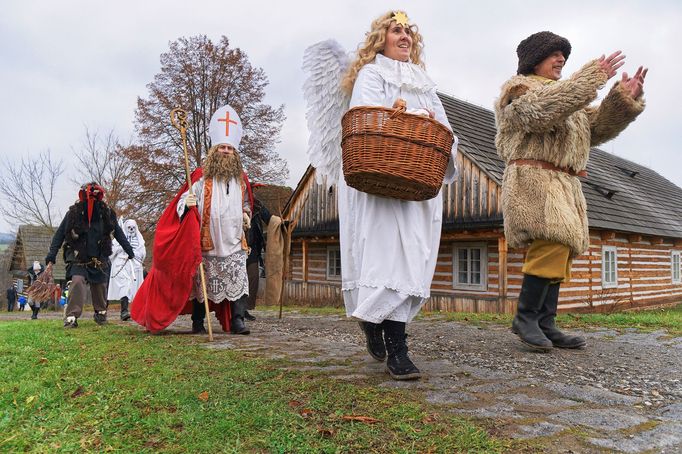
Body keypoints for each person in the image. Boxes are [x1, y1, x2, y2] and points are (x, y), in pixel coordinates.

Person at [494, 31, 647, 351]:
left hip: (564, 182)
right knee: (551, 242)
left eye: (563, 54)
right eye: (554, 53)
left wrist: (622, 99)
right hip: (534, 177)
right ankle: (525, 317)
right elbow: (541, 111)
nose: (561, 58)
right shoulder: (518, 89)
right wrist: (592, 77)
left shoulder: (568, 99)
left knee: (561, 251)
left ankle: (545, 322)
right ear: (535, 59)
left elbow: (595, 130)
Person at [331, 11, 458, 380]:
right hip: (381, 181)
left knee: (413, 257)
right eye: (396, 30)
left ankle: (373, 322)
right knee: (386, 258)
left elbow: (445, 128)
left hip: (417, 180)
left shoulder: (423, 80)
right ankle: (397, 349)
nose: (404, 36)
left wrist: (435, 133)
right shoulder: (372, 74)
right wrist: (408, 118)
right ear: (381, 38)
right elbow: (366, 118)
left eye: (408, 31)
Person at [177, 104, 253, 335]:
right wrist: (187, 202)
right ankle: (198, 322)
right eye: (222, 147)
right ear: (214, 151)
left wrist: (246, 214)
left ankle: (238, 320)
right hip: (208, 241)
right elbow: (183, 200)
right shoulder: (202, 179)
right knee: (203, 283)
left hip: (233, 239)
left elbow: (247, 203)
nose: (227, 151)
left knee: (238, 277)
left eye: (230, 148)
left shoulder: (241, 180)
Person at [45, 182, 135, 328]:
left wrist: (129, 251)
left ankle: (100, 313)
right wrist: (51, 255)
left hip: (98, 257)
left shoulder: (106, 214)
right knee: (78, 281)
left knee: (100, 285)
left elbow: (118, 233)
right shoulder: (73, 214)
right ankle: (72, 316)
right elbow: (60, 234)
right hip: (78, 256)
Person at [107, 218, 146, 321]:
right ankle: (124, 311)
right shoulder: (117, 241)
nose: (131, 229)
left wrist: (135, 254)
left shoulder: (140, 240)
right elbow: (110, 254)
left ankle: (138, 311)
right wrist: (121, 248)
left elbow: (142, 254)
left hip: (134, 266)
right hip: (121, 265)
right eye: (129, 227)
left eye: (133, 227)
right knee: (125, 286)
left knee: (135, 289)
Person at [245, 195, 273, 321]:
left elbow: (270, 219)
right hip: (235, 246)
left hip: (253, 248)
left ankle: (244, 309)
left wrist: (282, 224)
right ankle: (233, 311)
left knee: (253, 278)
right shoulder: (233, 202)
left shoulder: (257, 206)